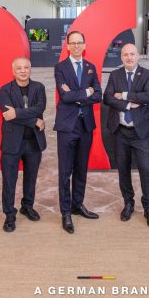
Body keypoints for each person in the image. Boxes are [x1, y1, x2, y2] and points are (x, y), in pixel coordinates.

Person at [103, 44, 149, 229]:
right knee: (123, 169)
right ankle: (128, 203)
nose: (129, 58)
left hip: (140, 133)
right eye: (125, 55)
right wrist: (127, 105)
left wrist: (124, 95)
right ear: (121, 57)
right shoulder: (114, 75)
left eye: (132, 54)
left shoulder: (148, 75)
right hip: (120, 131)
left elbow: (147, 96)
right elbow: (108, 98)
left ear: (138, 56)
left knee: (146, 169)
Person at [54, 30, 102, 234]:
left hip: (85, 125)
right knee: (65, 171)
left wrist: (78, 94)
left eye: (79, 42)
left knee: (81, 168)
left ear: (84, 45)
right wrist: (86, 93)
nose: (76, 46)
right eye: (72, 43)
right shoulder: (60, 68)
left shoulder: (90, 67)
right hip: (67, 126)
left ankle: (77, 204)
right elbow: (64, 97)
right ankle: (66, 212)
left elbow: (98, 95)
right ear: (67, 46)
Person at [0, 57, 47, 233]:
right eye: (19, 68)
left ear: (30, 69)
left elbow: (40, 108)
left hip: (33, 141)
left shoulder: (39, 87)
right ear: (13, 71)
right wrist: (34, 120)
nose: (23, 71)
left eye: (26, 67)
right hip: (12, 143)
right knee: (9, 181)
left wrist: (17, 113)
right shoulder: (5, 90)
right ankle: (9, 214)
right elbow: (7, 115)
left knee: (31, 178)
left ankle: (27, 206)